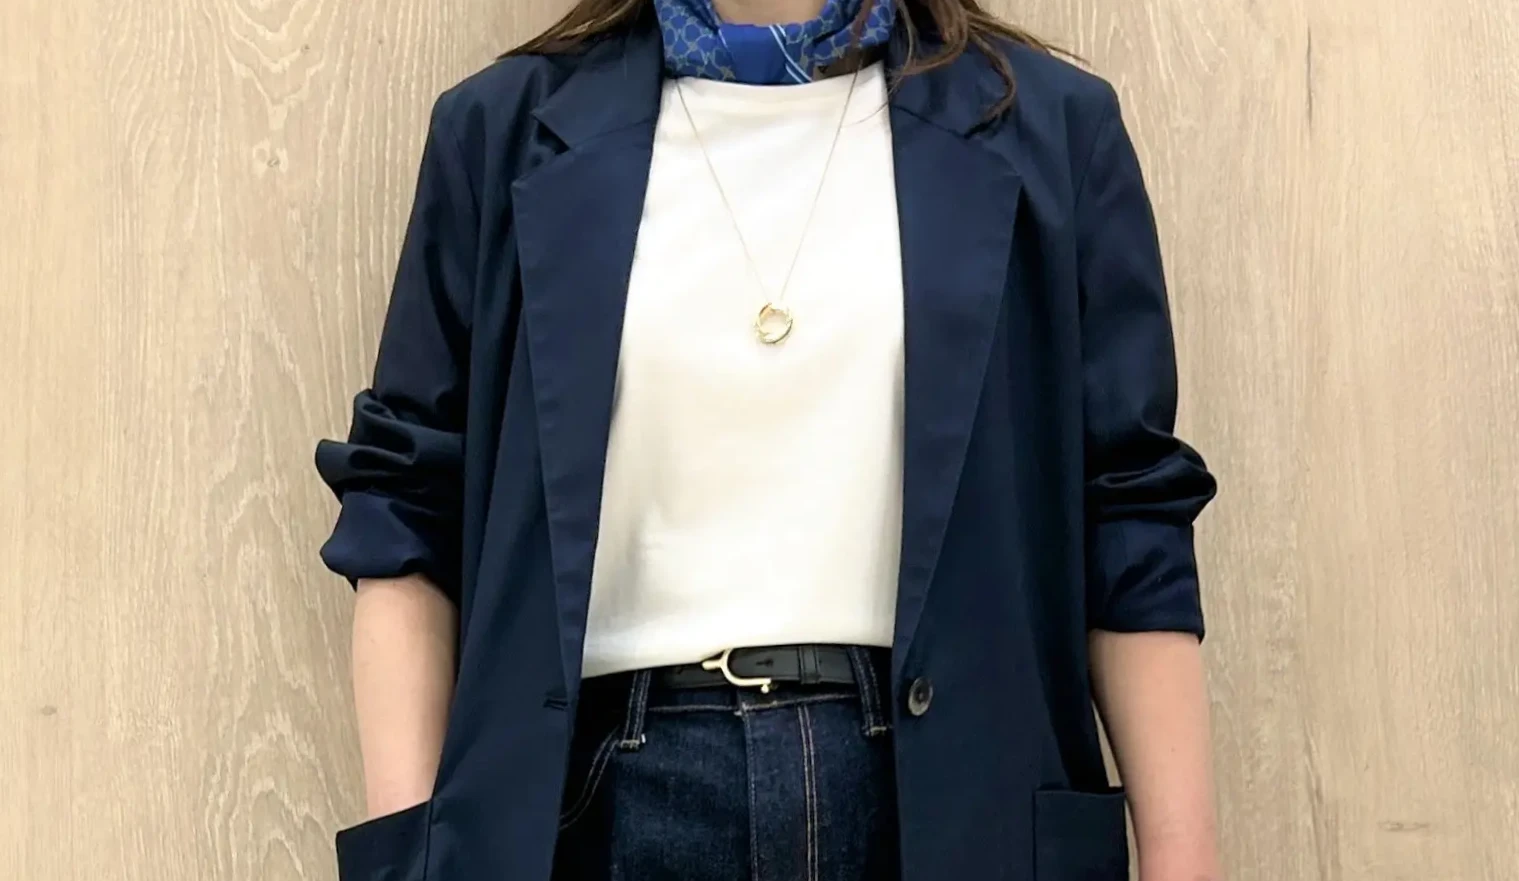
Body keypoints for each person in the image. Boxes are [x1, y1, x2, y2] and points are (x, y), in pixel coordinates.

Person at [313, 0, 1222, 879]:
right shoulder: (500, 132)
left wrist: (1182, 856)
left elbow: (1128, 512)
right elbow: (405, 509)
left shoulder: (1049, 130)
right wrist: (414, 852)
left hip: (951, 801)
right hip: (603, 808)